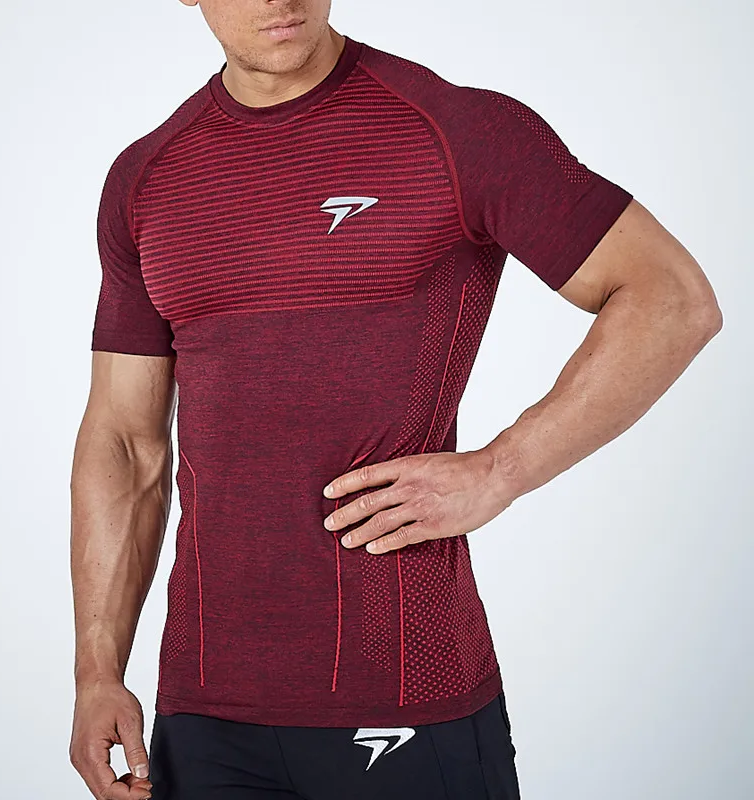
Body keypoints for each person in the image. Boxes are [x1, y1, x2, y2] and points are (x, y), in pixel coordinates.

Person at [68, 2, 723, 799]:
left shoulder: (460, 130)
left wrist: (501, 470)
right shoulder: (148, 177)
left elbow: (672, 298)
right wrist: (96, 672)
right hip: (204, 713)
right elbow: (126, 444)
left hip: (411, 696)